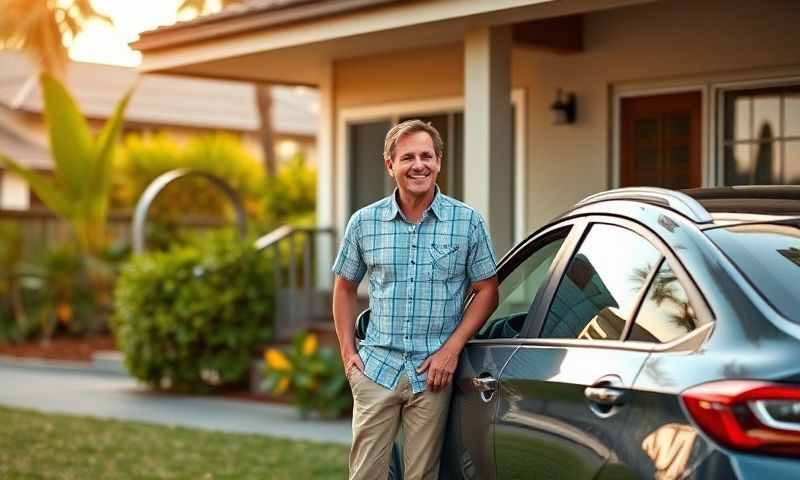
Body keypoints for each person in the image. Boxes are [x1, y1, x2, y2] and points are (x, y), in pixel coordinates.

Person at [331, 119, 499, 480]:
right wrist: (349, 354)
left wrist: (452, 349)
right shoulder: (364, 223)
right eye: (407, 157)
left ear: (439, 161)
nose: (418, 165)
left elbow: (488, 291)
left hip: (433, 375)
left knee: (422, 475)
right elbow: (344, 288)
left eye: (426, 155)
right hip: (376, 370)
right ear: (390, 165)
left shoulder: (467, 222)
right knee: (365, 475)